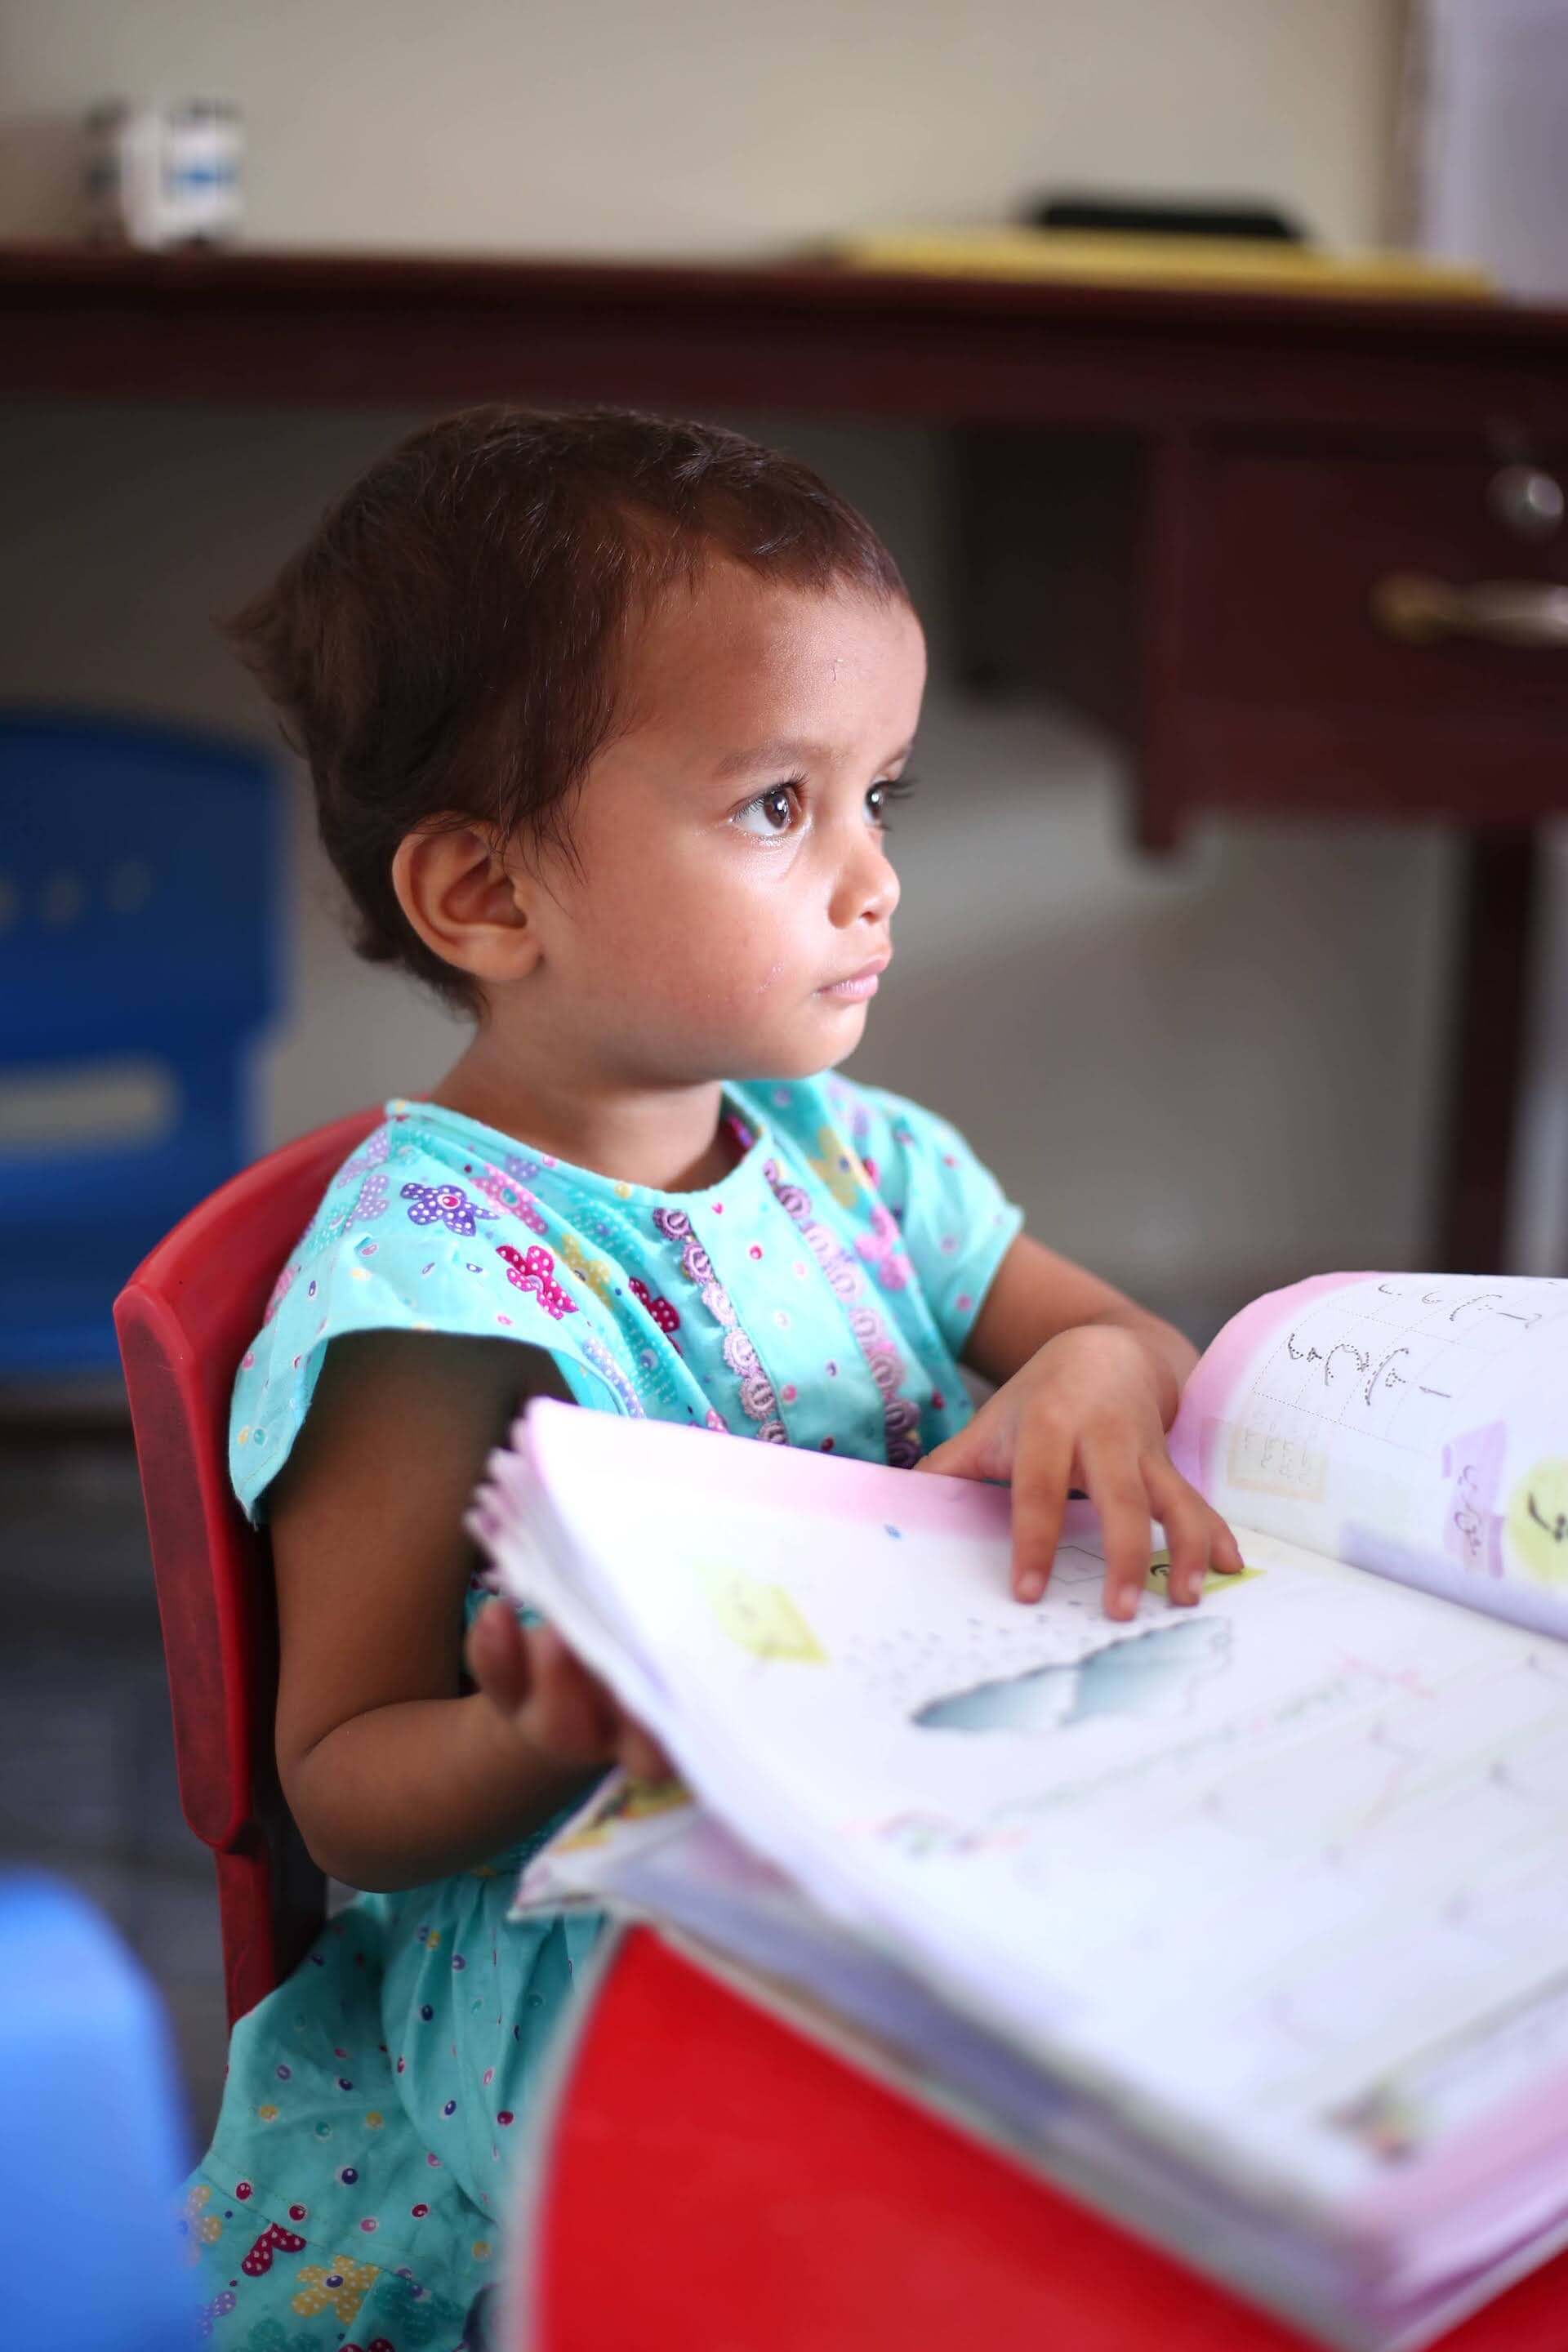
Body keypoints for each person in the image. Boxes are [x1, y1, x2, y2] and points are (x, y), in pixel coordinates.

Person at [180, 405, 1241, 2348]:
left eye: (882, 799)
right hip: (625, 1999)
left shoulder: (865, 1159)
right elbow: (339, 1793)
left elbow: (1143, 1349)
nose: (871, 883)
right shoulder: (441, 1298)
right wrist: (547, 1734)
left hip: (927, 1863)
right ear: (489, 895)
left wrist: (1092, 1359)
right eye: (779, 807)